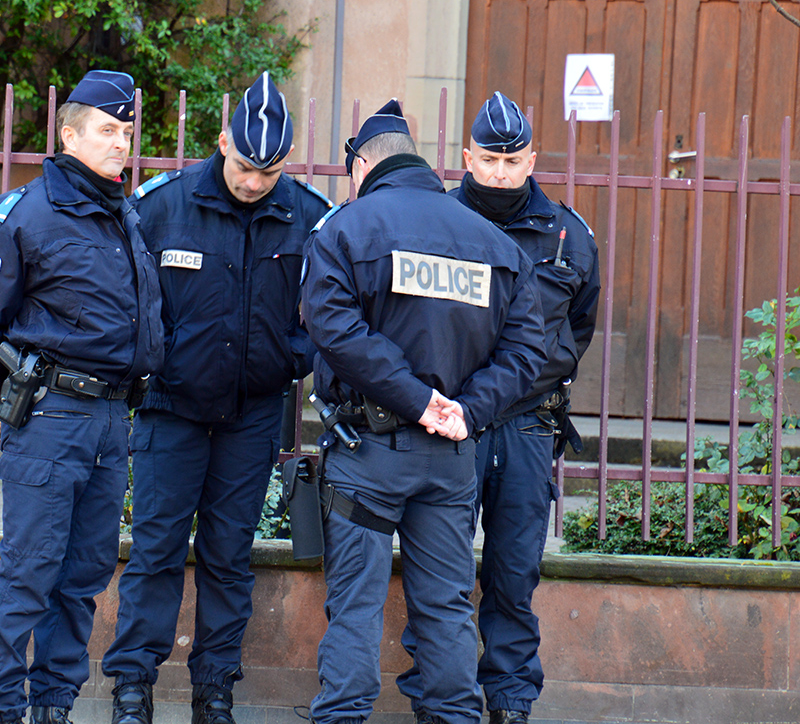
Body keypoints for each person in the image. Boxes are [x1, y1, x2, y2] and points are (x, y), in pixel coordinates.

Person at [301, 100, 547, 724]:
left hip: (369, 452)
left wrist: (415, 401)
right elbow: (528, 351)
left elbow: (333, 330)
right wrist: (463, 410)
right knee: (445, 606)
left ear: (362, 166)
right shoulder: (493, 242)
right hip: (453, 458)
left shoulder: (346, 230)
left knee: (355, 603)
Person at [102, 72, 333, 724]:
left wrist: (295, 359)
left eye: (269, 170)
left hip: (254, 414)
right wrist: (157, 363)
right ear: (223, 140)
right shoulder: (163, 204)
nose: (254, 182)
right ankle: (131, 689)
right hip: (170, 412)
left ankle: (215, 691)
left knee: (231, 557)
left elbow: (331, 309)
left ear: (284, 161)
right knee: (155, 551)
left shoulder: (309, 214)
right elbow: (128, 301)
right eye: (244, 165)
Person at [0, 69, 164, 724]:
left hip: (107, 419)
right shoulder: (24, 213)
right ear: (68, 133)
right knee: (29, 572)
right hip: (48, 416)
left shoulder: (121, 213)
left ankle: (53, 705)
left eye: (126, 131)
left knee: (84, 575)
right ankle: (0, 710)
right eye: (106, 130)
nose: (120, 143)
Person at [398, 92, 600, 724]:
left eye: (513, 162)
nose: (501, 174)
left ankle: (510, 700)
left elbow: (578, 328)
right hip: (451, 423)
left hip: (527, 426)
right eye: (488, 160)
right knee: (440, 572)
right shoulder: (434, 221)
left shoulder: (568, 233)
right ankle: (436, 697)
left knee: (514, 573)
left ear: (533, 158)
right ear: (466, 158)